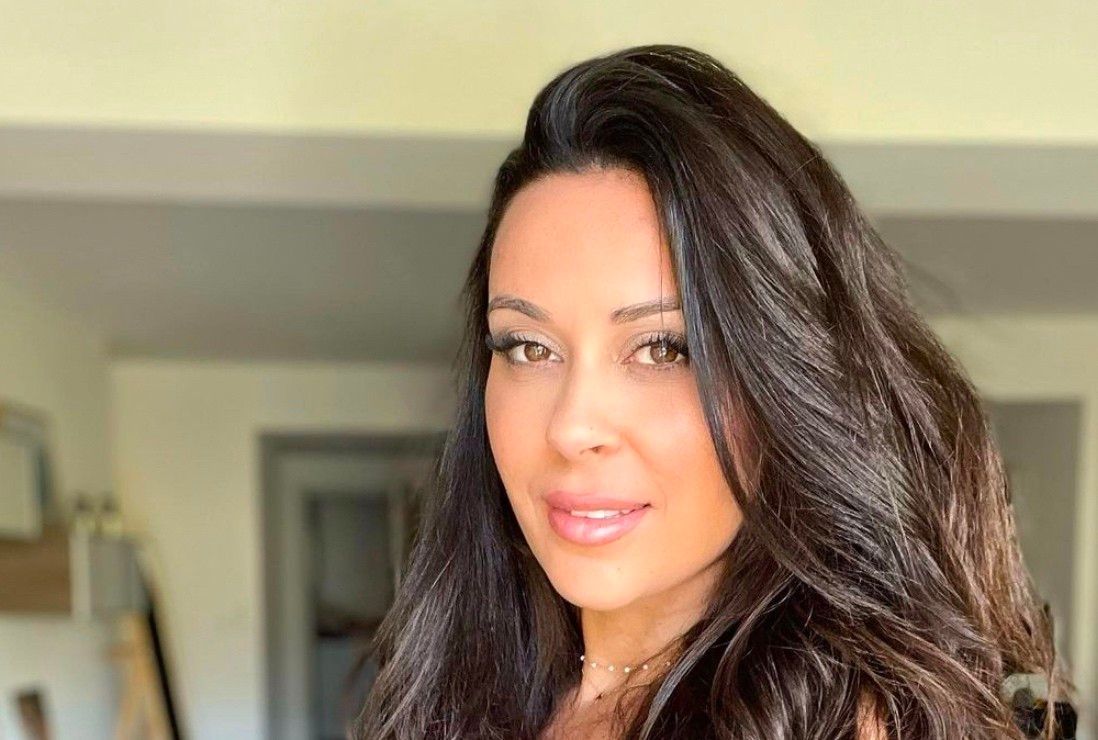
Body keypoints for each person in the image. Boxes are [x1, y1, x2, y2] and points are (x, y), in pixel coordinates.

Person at [354, 44, 1073, 739]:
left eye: (664, 349)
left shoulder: (838, 725)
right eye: (528, 347)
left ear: (785, 381)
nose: (571, 427)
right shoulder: (463, 691)